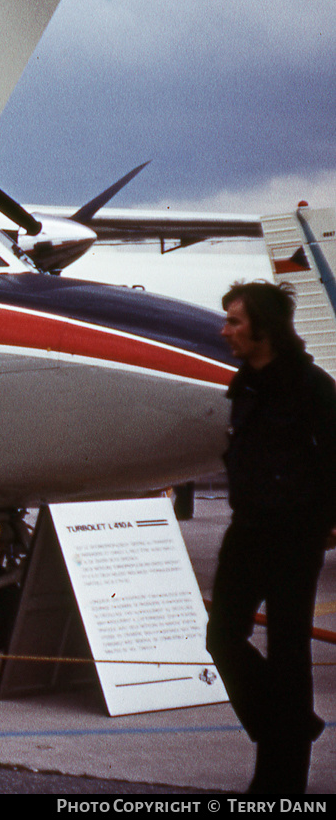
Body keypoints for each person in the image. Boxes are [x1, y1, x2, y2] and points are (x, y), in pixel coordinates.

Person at [206, 280, 336, 795]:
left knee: (288, 652)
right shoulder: (246, 383)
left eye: (235, 322)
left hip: (295, 532)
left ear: (264, 328)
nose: (226, 331)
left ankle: (281, 784)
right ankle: (291, 726)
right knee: (221, 637)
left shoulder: (311, 386)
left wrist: (328, 520)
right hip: (247, 528)